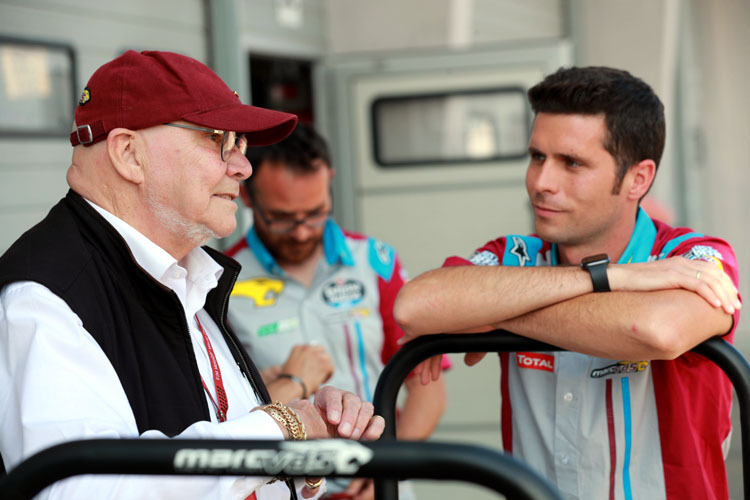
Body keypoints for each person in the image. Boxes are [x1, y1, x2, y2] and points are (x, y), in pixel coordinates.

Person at [0, 50, 385, 500]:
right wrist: (283, 426)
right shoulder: (44, 298)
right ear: (129, 154)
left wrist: (309, 441)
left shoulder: (185, 273)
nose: (243, 166)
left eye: (240, 143)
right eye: (217, 139)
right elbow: (83, 490)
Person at [393, 66, 742, 500]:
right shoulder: (512, 255)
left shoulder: (693, 257)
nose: (541, 183)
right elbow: (415, 306)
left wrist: (497, 310)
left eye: (571, 163)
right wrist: (610, 279)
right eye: (537, 156)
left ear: (638, 178)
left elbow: (655, 330)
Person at [225, 123, 449, 499]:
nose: (301, 232)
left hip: (380, 483)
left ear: (329, 181)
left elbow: (429, 390)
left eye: (315, 213)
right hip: (280, 488)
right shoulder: (219, 281)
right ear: (247, 196)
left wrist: (387, 464)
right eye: (281, 217)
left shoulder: (375, 262)